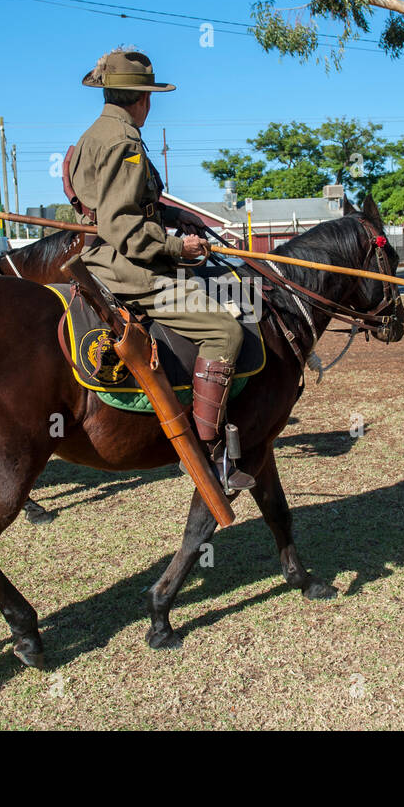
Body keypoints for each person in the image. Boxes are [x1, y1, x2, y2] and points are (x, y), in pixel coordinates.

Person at [67, 47, 253, 492]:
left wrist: (174, 218)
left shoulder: (96, 134)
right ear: (142, 97)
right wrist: (179, 246)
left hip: (110, 254)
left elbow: (125, 205)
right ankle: (211, 454)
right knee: (226, 331)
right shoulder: (123, 141)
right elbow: (122, 226)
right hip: (127, 267)